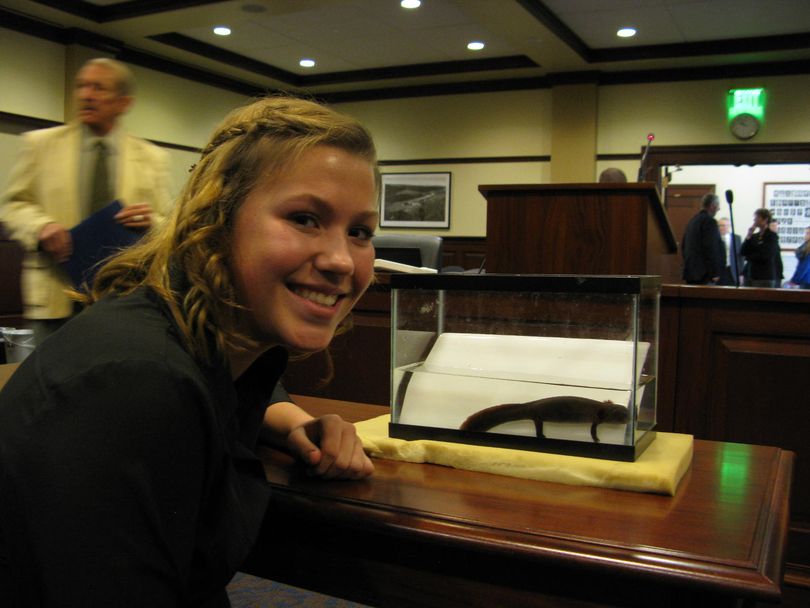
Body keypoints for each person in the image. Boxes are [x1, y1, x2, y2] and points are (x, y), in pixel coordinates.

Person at [0, 96, 377, 606]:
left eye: (359, 232)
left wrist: (291, 421)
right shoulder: (132, 385)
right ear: (218, 218)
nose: (341, 260)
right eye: (306, 218)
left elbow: (228, 379)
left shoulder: (194, 329)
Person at [0, 58, 172, 345]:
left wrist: (151, 221)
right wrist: (41, 227)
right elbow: (14, 205)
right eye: (81, 86)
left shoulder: (152, 158)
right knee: (46, 383)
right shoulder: (39, 145)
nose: (86, 95)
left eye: (98, 88)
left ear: (123, 102)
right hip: (56, 295)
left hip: (122, 297)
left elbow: (169, 223)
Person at [681, 193, 724, 285]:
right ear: (712, 206)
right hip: (705, 274)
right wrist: (715, 272)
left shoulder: (693, 221)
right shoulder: (710, 222)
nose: (719, 209)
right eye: (718, 206)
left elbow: (684, 246)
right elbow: (711, 248)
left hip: (691, 272)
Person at [740, 208, 781, 288]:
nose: (754, 219)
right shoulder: (755, 236)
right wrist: (749, 235)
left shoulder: (772, 236)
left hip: (764, 276)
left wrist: (749, 257)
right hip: (751, 274)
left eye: (757, 217)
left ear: (765, 219)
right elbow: (743, 251)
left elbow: (766, 256)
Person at [717, 217, 743, 286]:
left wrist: (741, 274)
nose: (722, 227)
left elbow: (740, 257)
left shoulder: (737, 238)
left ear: (729, 226)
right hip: (719, 271)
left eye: (724, 225)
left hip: (732, 270)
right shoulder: (714, 238)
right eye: (720, 225)